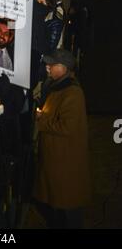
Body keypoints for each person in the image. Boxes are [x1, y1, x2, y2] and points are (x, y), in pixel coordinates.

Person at [34, 49, 91, 229]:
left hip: (65, 163)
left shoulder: (72, 93)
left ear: (64, 68)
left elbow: (67, 126)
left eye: (52, 65)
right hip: (56, 160)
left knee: (68, 209)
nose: (47, 67)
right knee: (57, 208)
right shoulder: (57, 87)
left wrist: (41, 119)